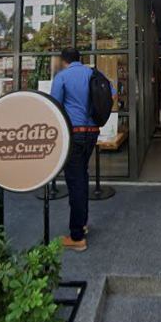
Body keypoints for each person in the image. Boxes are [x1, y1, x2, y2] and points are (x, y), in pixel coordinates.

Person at [50, 47, 108, 251]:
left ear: (64, 61)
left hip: (74, 134)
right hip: (92, 132)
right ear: (79, 59)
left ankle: (77, 237)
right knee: (81, 177)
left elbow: (54, 106)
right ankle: (82, 223)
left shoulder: (62, 77)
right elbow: (112, 94)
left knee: (75, 183)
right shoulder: (94, 74)